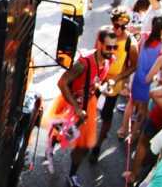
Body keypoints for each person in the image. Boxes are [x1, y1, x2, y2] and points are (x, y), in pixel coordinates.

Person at [42, 27, 117, 187]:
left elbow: (96, 82)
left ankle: (72, 175)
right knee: (61, 131)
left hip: (87, 105)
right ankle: (50, 146)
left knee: (82, 146)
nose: (112, 51)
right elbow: (62, 82)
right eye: (108, 47)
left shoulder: (109, 60)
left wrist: (106, 85)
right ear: (99, 44)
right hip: (70, 102)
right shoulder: (83, 63)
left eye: (114, 47)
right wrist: (76, 107)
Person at [90, 8, 138, 162]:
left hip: (114, 84)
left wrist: (118, 78)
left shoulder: (131, 43)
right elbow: (94, 53)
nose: (119, 30)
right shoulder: (103, 34)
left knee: (106, 114)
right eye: (117, 26)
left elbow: (133, 66)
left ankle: (98, 145)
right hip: (98, 79)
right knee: (88, 107)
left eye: (123, 27)